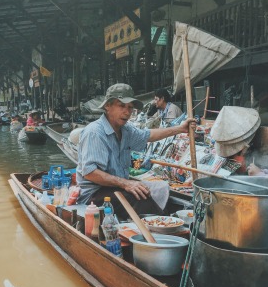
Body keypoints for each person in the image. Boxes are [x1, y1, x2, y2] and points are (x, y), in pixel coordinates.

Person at [76, 83, 196, 220]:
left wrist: (180, 129)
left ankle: (164, 223)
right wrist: (126, 183)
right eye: (121, 106)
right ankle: (159, 229)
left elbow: (148, 135)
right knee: (140, 199)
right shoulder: (95, 132)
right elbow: (90, 173)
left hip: (116, 187)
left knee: (160, 188)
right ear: (107, 106)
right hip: (94, 194)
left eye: (130, 107)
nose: (127, 112)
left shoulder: (126, 130)